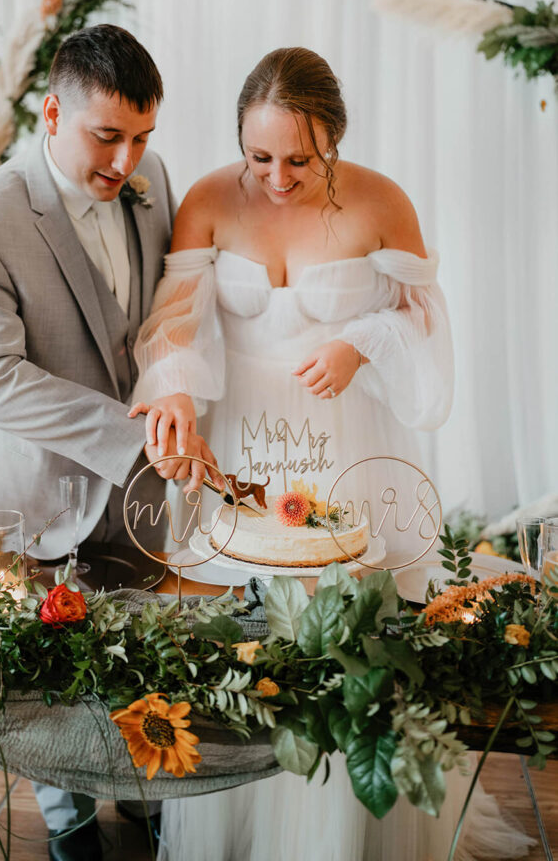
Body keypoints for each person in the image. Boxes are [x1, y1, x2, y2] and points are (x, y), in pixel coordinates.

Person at [130, 47, 534, 860]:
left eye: (299, 160)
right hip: (245, 447)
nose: (276, 177)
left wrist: (359, 341)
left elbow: (426, 326)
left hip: (349, 446)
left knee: (348, 643)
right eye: (259, 157)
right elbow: (173, 322)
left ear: (334, 144)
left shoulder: (382, 203)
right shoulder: (208, 198)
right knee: (247, 646)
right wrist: (171, 388)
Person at [0, 24, 217, 861]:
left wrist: (175, 400)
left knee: (137, 647)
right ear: (53, 112)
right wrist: (132, 440)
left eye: (141, 138)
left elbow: (163, 317)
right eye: (107, 136)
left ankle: (140, 790)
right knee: (42, 676)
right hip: (30, 491)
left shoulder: (154, 178)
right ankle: (66, 824)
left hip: (136, 496)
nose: (127, 160)